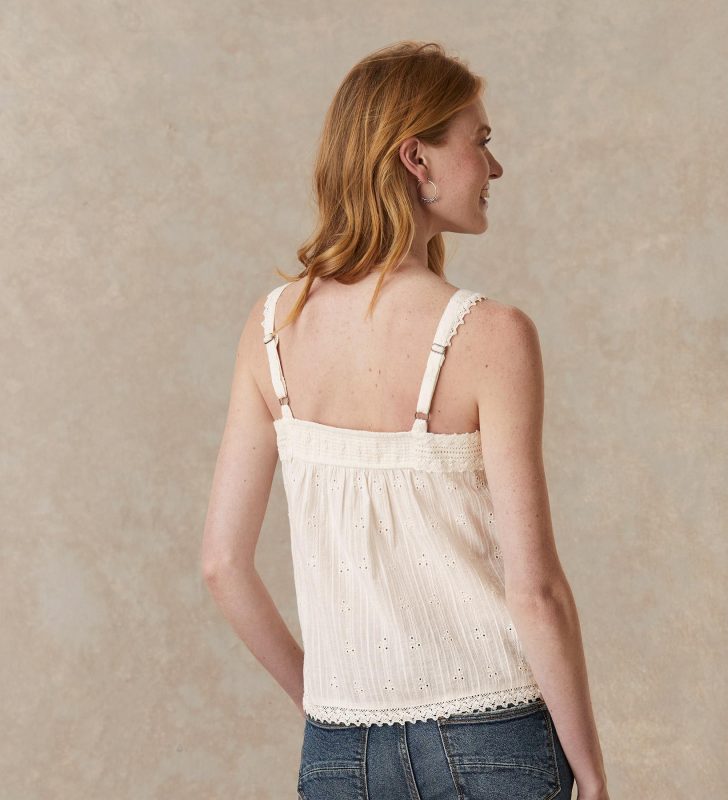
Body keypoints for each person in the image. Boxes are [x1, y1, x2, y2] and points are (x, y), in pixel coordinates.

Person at [202, 40, 609, 800]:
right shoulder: (491, 334)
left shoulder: (270, 330)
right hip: (495, 737)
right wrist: (589, 772)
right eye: (480, 141)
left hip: (341, 749)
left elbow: (222, 564)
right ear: (416, 159)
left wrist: (323, 708)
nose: (494, 167)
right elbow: (536, 592)